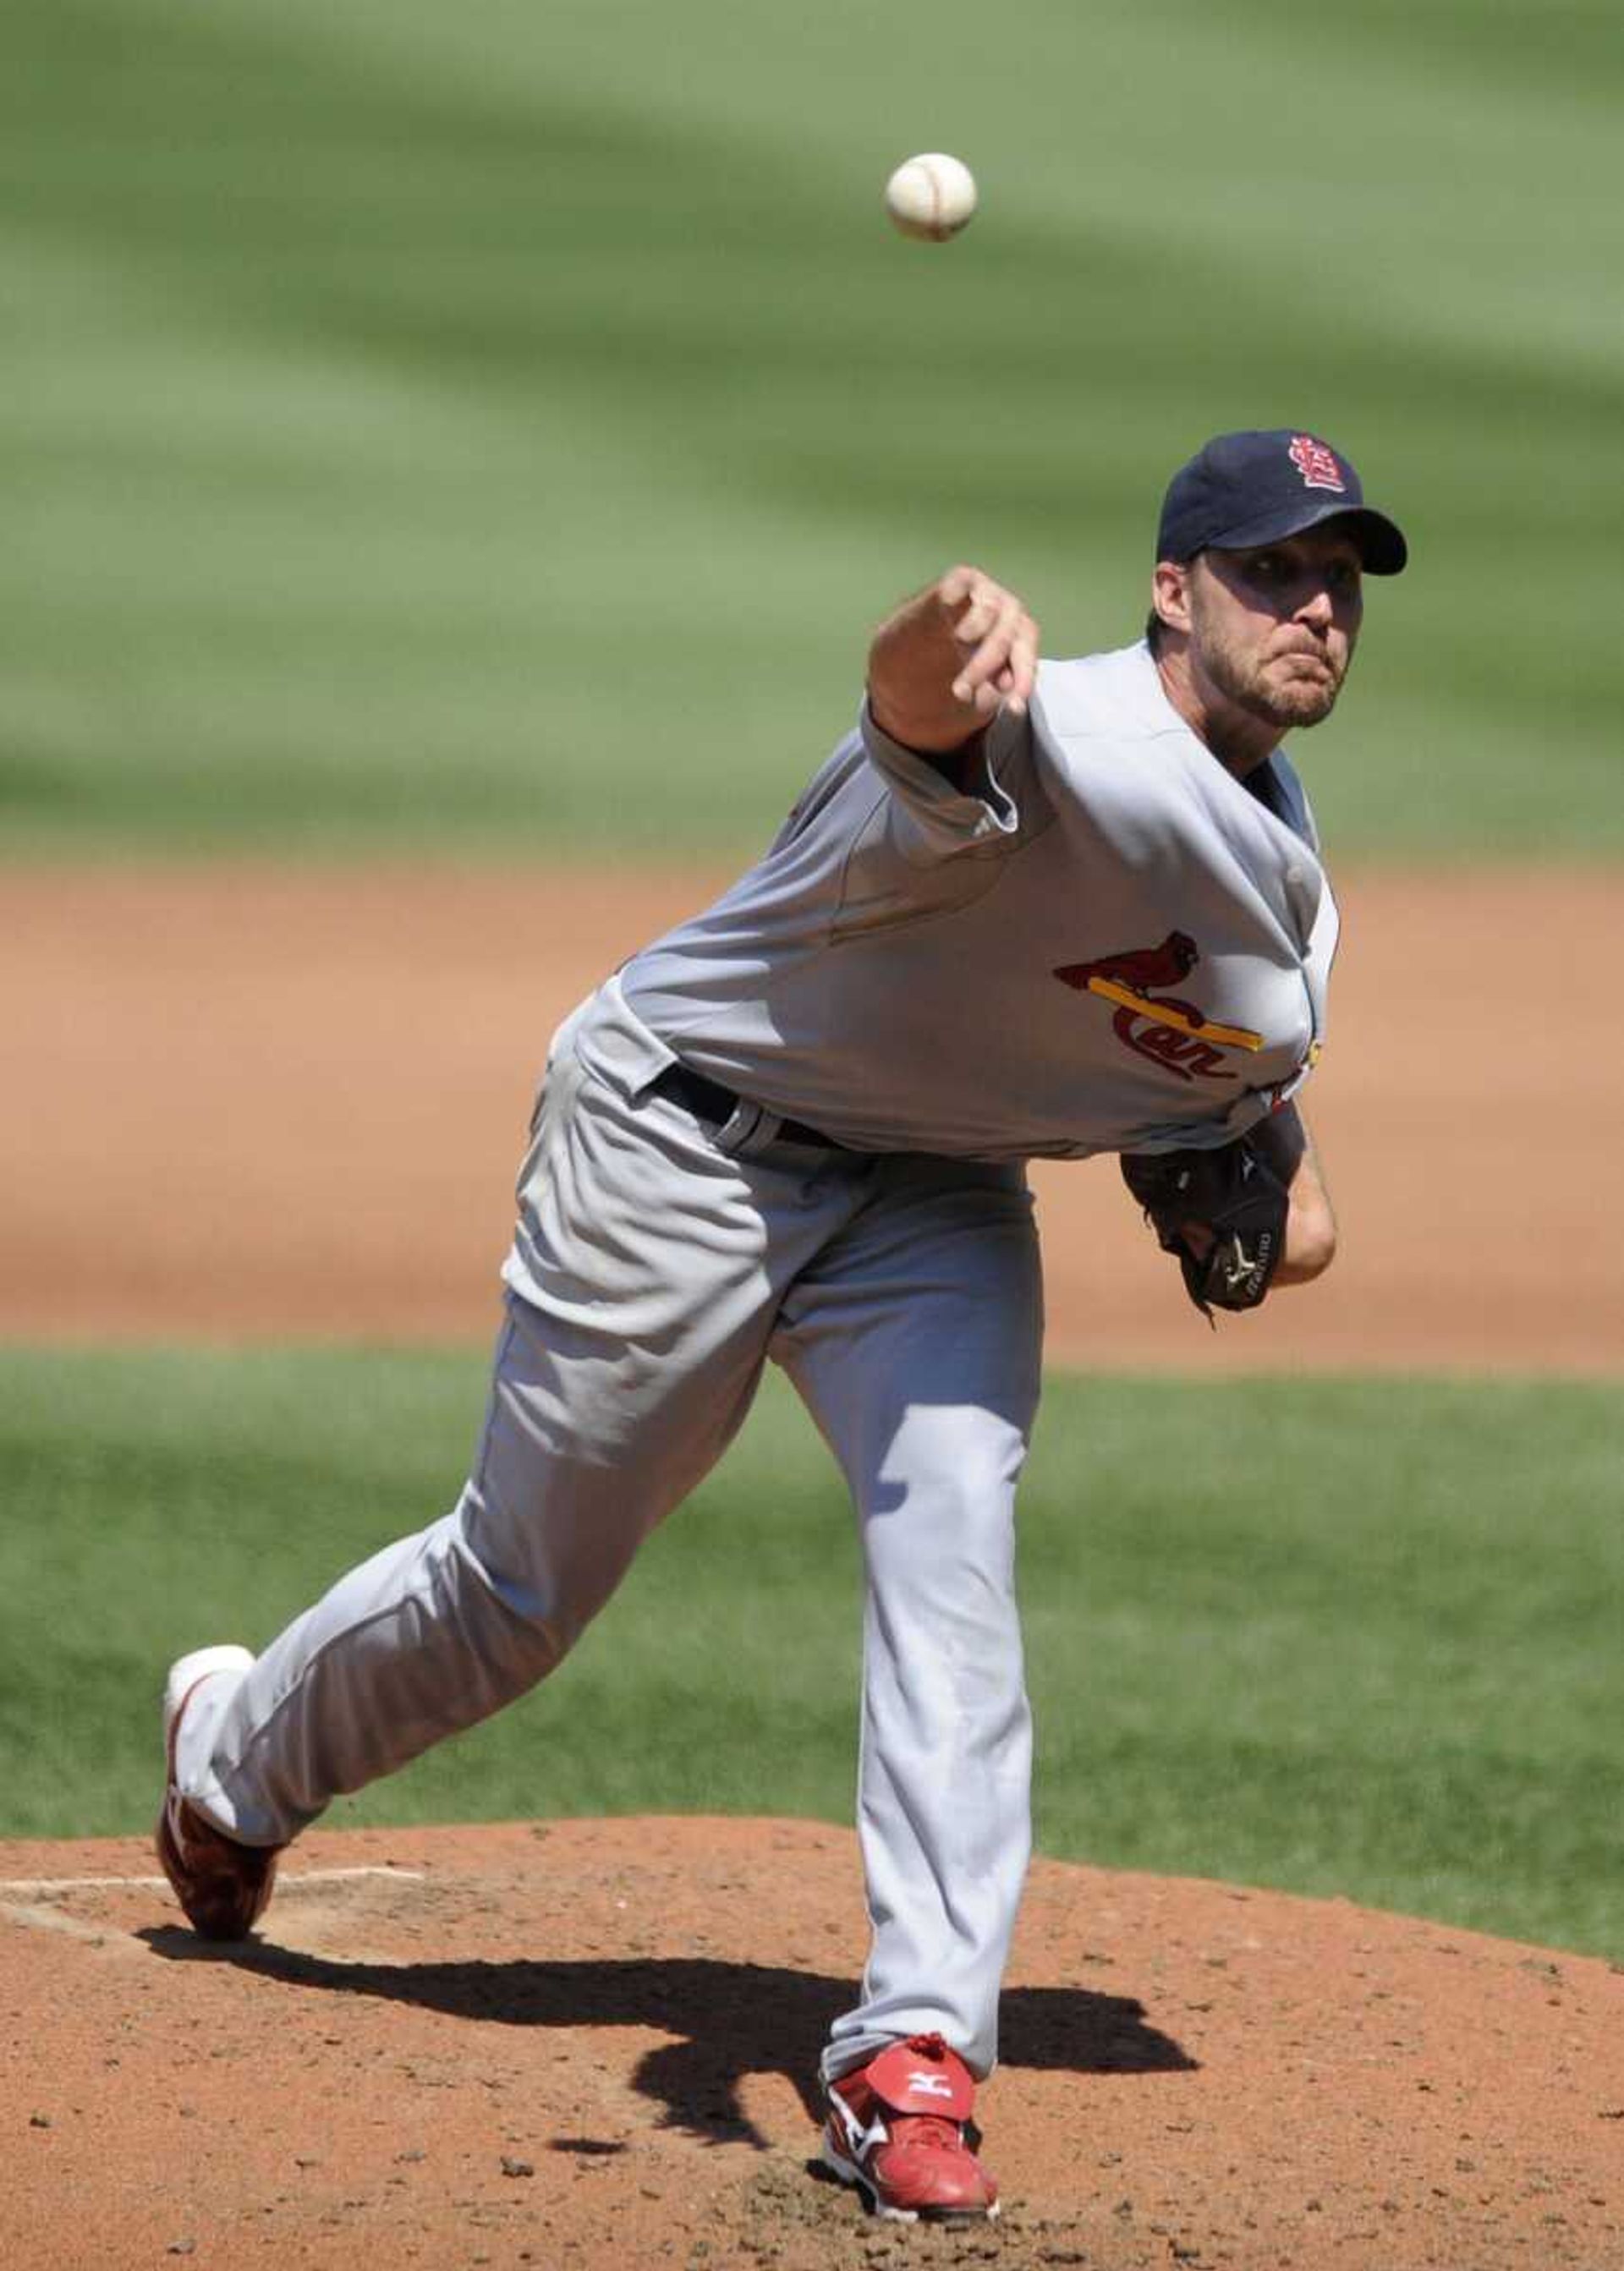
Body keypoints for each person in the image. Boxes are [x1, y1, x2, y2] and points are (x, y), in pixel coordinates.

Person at [157, 428, 1407, 2224]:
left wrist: (1253, 1192)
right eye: (1274, 569)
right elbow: (914, 710)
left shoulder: (1290, 898)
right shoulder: (1054, 728)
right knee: (523, 1589)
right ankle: (230, 1764)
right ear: (1172, 589)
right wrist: (934, 625)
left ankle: (914, 2050)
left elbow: (1272, 1197)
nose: (1314, 607)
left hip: (937, 1197)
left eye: (1339, 579)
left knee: (954, 1548)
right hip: (681, 1136)